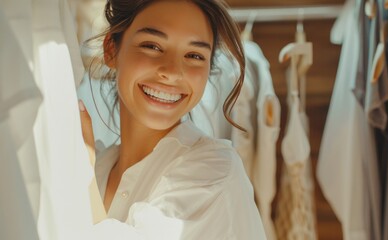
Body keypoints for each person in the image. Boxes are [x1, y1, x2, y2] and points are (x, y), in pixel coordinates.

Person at [78, 0, 267, 239]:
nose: (172, 72)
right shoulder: (99, 166)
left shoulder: (214, 173)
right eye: (152, 46)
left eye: (194, 55)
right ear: (111, 50)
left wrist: (80, 172)